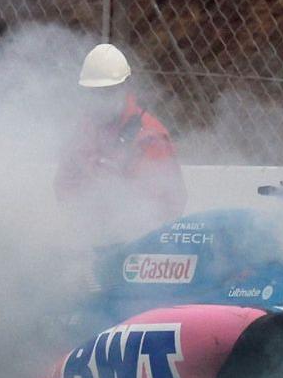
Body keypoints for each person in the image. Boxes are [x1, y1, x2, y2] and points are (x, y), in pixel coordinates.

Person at [54, 43, 186, 243]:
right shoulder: (85, 130)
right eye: (94, 92)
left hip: (138, 245)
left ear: (124, 87)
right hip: (88, 238)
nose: (99, 99)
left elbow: (168, 202)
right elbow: (64, 183)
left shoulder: (150, 136)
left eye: (107, 91)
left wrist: (119, 196)